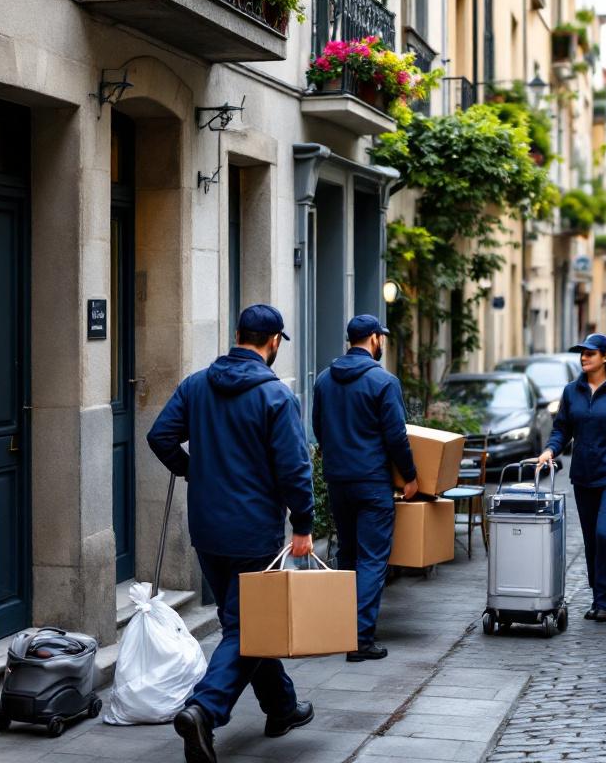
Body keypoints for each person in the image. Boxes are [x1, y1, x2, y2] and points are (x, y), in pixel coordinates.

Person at [148, 303, 315, 763]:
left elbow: (160, 437)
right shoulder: (275, 396)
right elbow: (295, 468)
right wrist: (303, 524)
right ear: (273, 341)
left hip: (207, 529)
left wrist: (193, 471)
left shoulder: (197, 385)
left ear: (238, 335)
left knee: (245, 621)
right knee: (248, 626)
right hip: (253, 532)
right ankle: (204, 709)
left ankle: (281, 708)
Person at [312, 314, 419, 662]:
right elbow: (396, 436)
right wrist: (410, 475)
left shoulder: (324, 380)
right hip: (372, 481)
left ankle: (342, 629)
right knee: (372, 558)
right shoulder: (384, 381)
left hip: (337, 480)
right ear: (374, 339)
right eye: (381, 337)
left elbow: (319, 428)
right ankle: (359, 639)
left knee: (348, 555)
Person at [535, 333, 606, 623]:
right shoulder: (572, 391)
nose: (584, 358)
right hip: (584, 476)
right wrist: (550, 450)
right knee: (592, 540)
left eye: (590, 353)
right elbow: (562, 428)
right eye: (582, 353)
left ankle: (605, 601)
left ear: (605, 357)